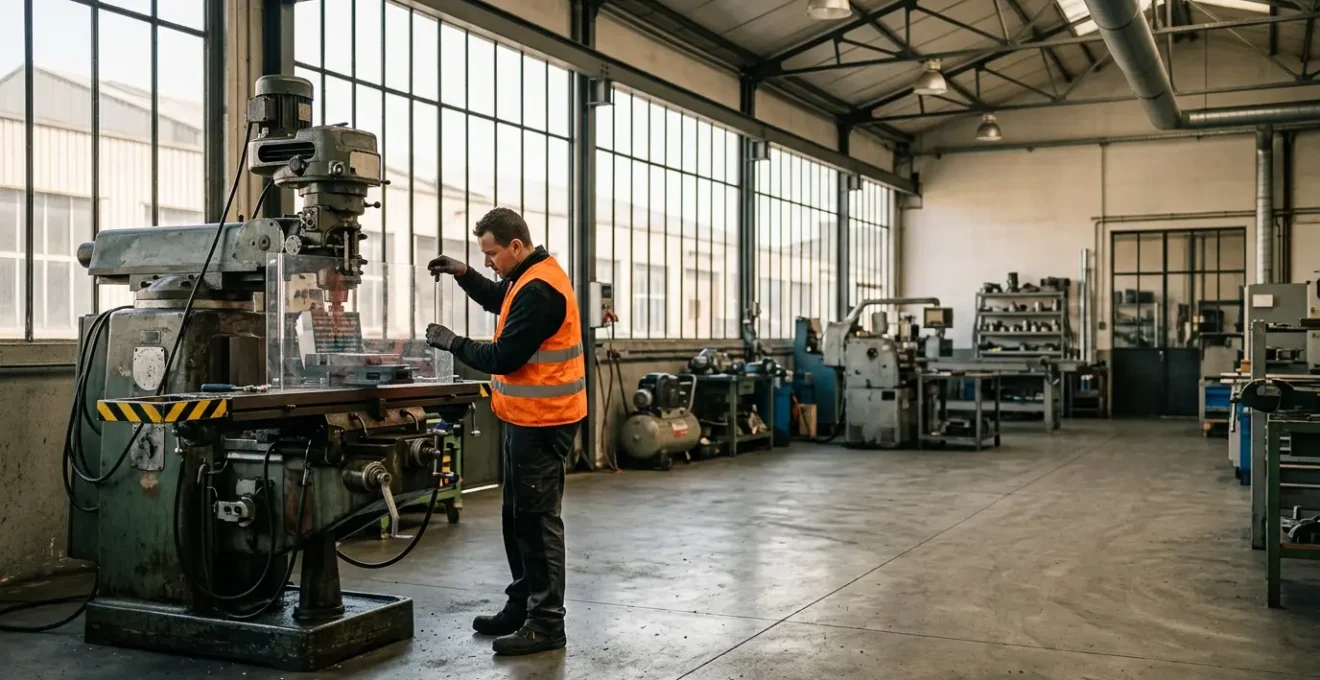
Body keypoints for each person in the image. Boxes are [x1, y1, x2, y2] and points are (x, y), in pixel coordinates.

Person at [425, 207, 585, 657]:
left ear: (516, 245)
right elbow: (500, 298)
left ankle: (547, 622)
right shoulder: (528, 275)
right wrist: (463, 273)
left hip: (545, 421)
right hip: (526, 419)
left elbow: (503, 356)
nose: (490, 261)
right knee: (517, 519)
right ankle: (523, 606)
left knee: (537, 523)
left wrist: (452, 342)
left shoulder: (541, 289)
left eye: (492, 254)